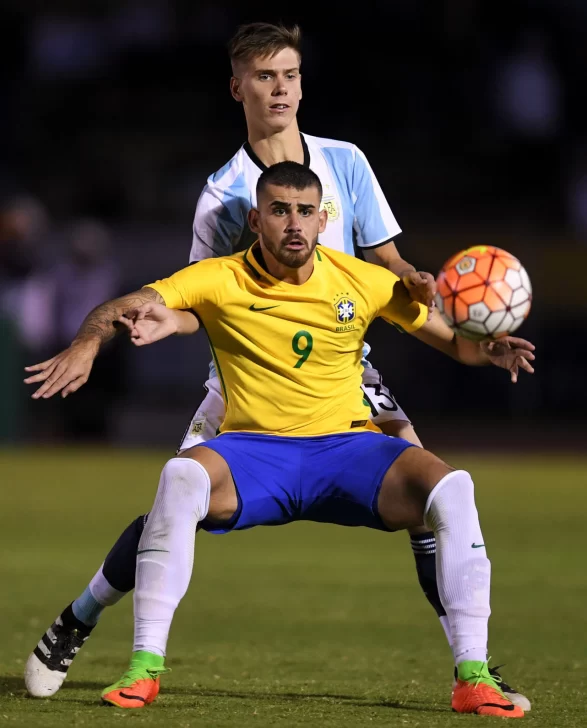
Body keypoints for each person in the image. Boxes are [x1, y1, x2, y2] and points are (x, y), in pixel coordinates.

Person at [23, 23, 530, 709]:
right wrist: (148, 322)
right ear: (238, 88)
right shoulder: (223, 195)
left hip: (347, 362)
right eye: (264, 77)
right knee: (175, 508)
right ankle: (81, 617)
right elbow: (198, 293)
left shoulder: (343, 162)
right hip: (243, 374)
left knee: (432, 503)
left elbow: (387, 262)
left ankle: (474, 668)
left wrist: (421, 285)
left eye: (289, 75)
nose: (280, 89)